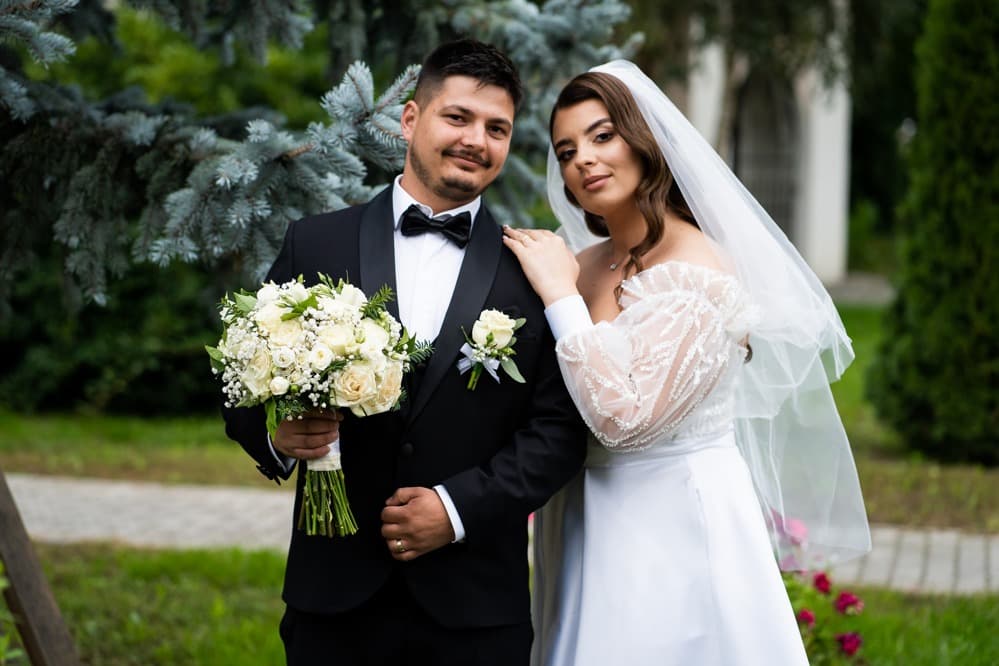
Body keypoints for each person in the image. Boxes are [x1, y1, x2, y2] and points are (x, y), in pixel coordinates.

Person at [222, 39, 587, 666]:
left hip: (474, 607)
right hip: (332, 601)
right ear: (411, 119)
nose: (477, 139)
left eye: (496, 128)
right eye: (458, 117)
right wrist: (280, 437)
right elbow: (242, 379)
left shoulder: (536, 268)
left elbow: (557, 431)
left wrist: (456, 510)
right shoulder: (314, 244)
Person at [502, 61, 871, 665]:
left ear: (643, 140)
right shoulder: (585, 262)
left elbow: (625, 418)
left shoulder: (696, 271)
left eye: (602, 136)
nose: (583, 160)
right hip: (578, 515)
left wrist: (560, 298)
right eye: (567, 150)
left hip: (668, 520)